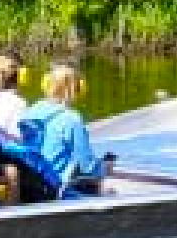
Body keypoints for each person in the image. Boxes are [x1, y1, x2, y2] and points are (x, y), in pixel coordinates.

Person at [18, 61, 113, 192]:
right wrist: (104, 168)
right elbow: (88, 167)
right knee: (107, 187)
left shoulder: (31, 112)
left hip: (34, 183)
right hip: (58, 186)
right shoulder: (71, 120)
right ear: (75, 88)